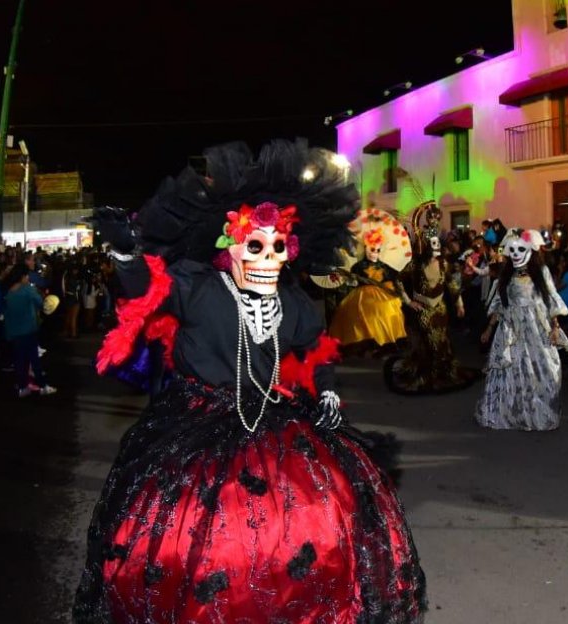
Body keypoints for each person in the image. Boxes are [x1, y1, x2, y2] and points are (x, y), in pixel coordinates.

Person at [76, 141, 425, 623]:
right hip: (198, 418)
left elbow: (315, 349)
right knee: (202, 533)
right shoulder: (198, 288)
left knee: (317, 512)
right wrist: (124, 251)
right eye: (256, 246)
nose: (268, 257)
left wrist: (325, 389)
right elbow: (145, 291)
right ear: (229, 251)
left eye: (278, 247)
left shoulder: (295, 302)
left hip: (273, 410)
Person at [476, 229, 568, 431]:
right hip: (511, 329)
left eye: (521, 249)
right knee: (511, 371)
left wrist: (555, 327)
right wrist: (489, 329)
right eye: (513, 250)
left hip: (536, 328)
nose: (516, 253)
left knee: (542, 370)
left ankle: (536, 413)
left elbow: (551, 299)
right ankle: (512, 413)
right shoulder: (507, 274)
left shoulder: (541, 272)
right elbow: (501, 304)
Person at [385, 202, 481, 395]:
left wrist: (459, 303)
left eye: (439, 244)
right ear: (428, 246)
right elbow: (397, 280)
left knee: (442, 341)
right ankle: (427, 374)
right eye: (434, 244)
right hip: (423, 311)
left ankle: (442, 373)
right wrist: (408, 301)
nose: (437, 247)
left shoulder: (444, 264)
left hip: (441, 310)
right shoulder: (416, 265)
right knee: (429, 343)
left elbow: (452, 286)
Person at [328, 226, 412, 350]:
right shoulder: (358, 266)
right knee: (362, 310)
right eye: (372, 249)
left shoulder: (385, 266)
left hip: (384, 294)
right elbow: (352, 282)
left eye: (378, 250)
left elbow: (395, 279)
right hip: (361, 296)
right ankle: (365, 341)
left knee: (388, 307)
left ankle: (386, 340)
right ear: (366, 249)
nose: (375, 253)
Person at [3, 265, 56, 397]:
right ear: (22, 277)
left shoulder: (10, 292)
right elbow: (41, 304)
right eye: (26, 275)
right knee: (34, 359)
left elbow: (7, 315)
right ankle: (43, 386)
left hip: (15, 332)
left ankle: (22, 387)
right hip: (29, 330)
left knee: (20, 361)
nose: (28, 278)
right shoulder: (28, 289)